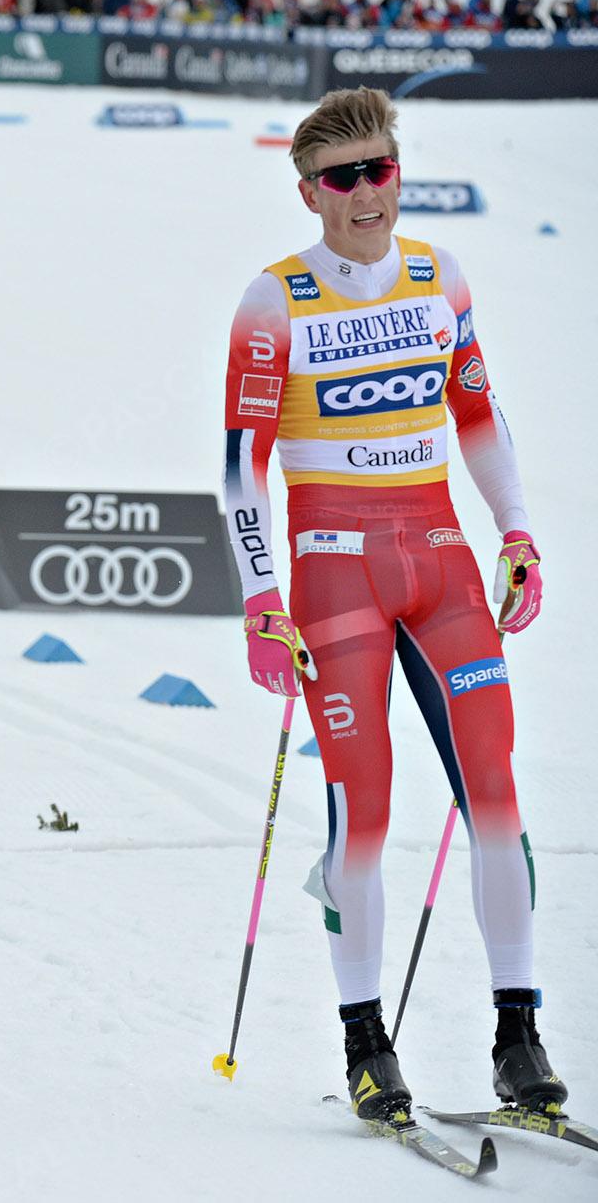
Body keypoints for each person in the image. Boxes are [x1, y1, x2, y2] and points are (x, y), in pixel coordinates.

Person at [222, 88, 565, 1123]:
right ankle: (366, 1040)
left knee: (496, 793)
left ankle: (518, 1034)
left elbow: (478, 412)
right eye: (345, 177)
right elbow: (244, 467)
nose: (369, 193)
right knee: (361, 814)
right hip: (333, 571)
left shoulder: (439, 279)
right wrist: (259, 599)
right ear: (309, 193)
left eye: (381, 169)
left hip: (442, 557)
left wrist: (516, 528)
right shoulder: (274, 301)